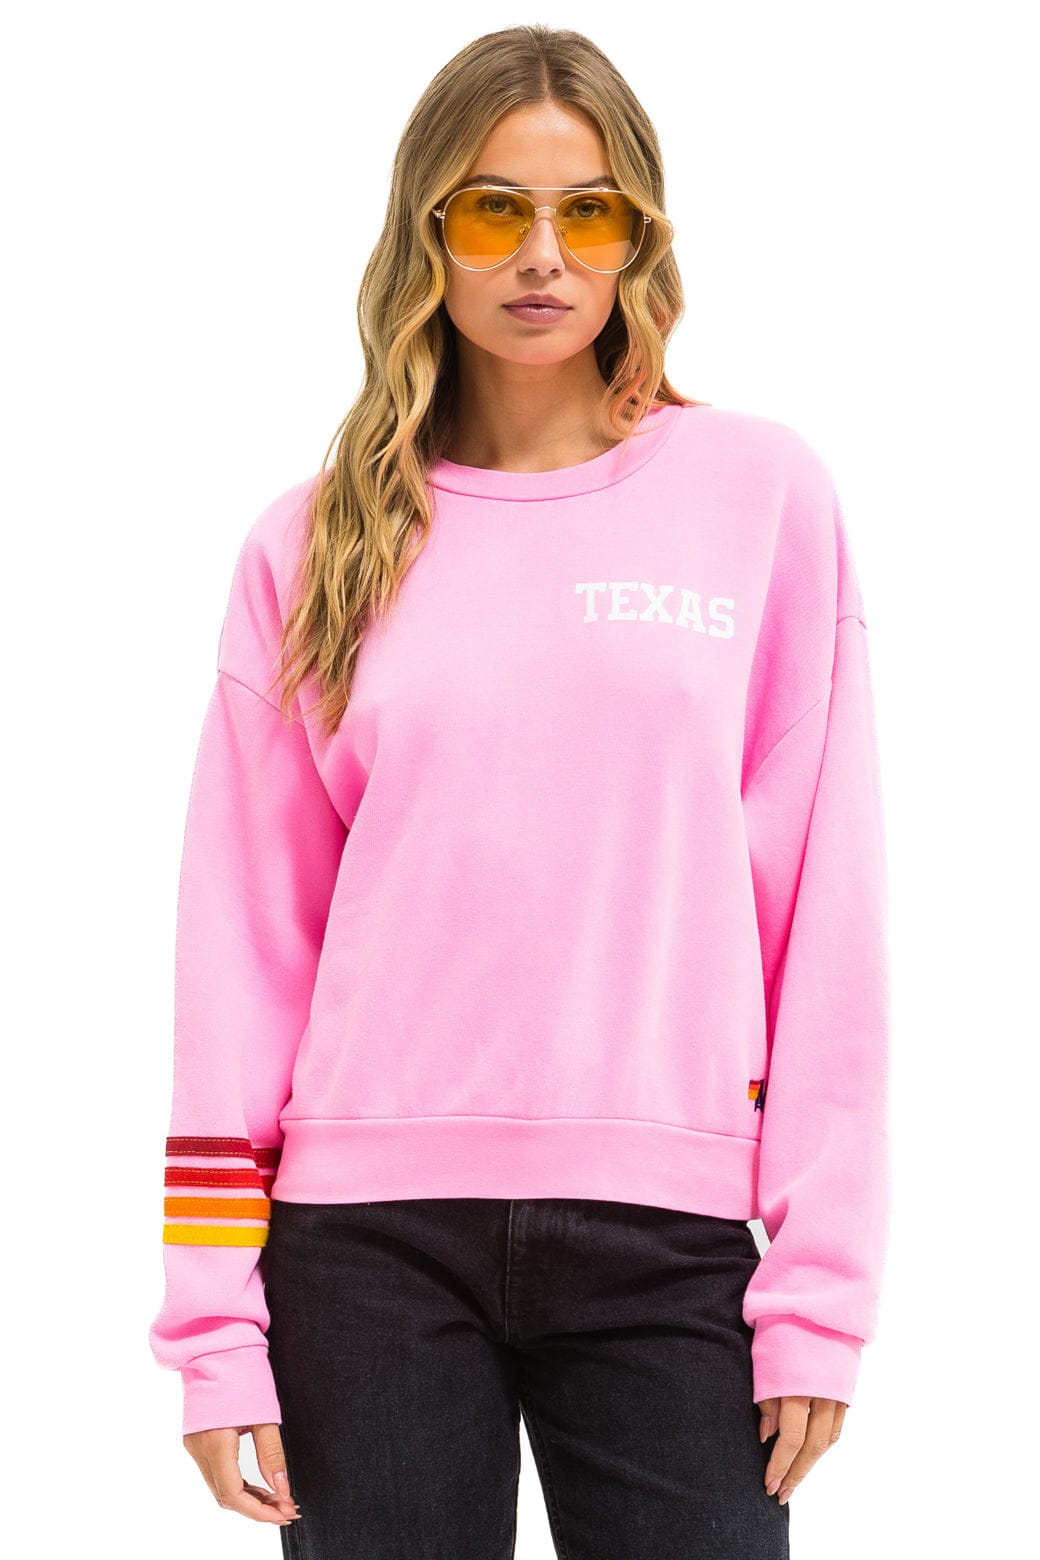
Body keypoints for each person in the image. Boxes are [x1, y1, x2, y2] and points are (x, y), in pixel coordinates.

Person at [148, 23, 890, 1559]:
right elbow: (243, 954)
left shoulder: (757, 498)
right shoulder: (312, 545)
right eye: (494, 209)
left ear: (638, 236)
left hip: (672, 1240)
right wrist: (213, 1326)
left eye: (587, 211)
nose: (542, 254)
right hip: (362, 1254)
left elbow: (826, 913)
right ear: (427, 231)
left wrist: (821, 1290)